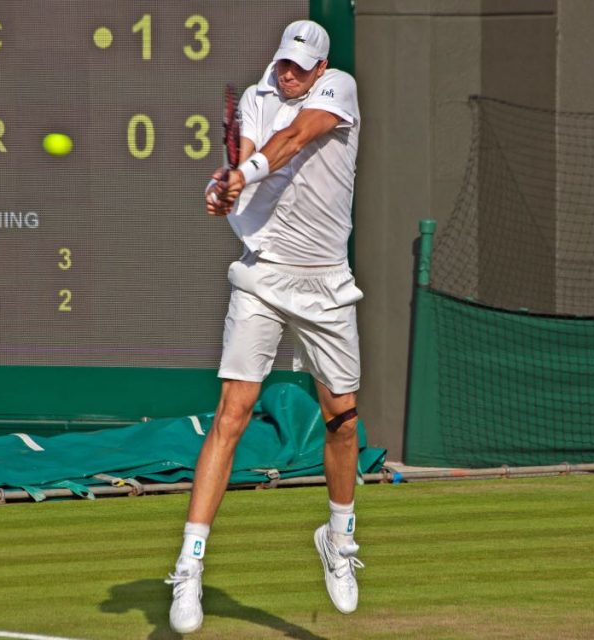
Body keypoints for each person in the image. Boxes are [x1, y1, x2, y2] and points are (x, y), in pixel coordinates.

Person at [164, 19, 364, 635]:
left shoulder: (340, 91)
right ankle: (189, 567)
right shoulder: (257, 98)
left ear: (321, 70)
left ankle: (338, 540)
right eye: (283, 63)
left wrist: (242, 174)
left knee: (343, 418)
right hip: (263, 276)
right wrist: (223, 190)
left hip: (327, 282)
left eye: (300, 67)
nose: (288, 73)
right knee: (233, 411)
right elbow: (250, 163)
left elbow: (298, 139)